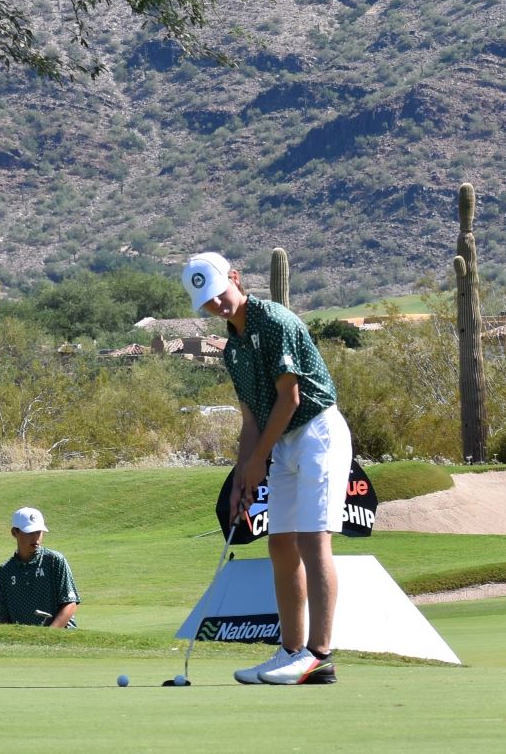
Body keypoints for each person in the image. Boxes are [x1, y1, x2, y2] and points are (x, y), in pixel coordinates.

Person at [183, 251, 349, 686]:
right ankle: (290, 651)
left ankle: (320, 656)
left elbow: (289, 399)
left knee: (314, 542)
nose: (215, 304)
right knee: (280, 545)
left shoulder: (274, 321)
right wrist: (241, 477)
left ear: (234, 279)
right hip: (283, 441)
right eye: (206, 302)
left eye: (219, 293)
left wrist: (259, 461)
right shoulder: (232, 348)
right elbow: (251, 420)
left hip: (317, 433)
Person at [0, 507, 79, 628]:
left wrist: (48, 635)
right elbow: (2, 616)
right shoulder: (5, 571)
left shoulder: (55, 560)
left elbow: (70, 604)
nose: (35, 537)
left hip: (60, 638)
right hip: (23, 642)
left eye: (39, 532)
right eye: (29, 532)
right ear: (14, 533)